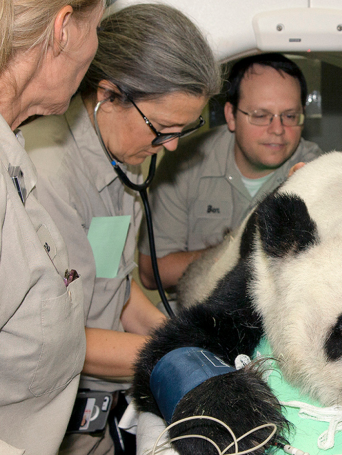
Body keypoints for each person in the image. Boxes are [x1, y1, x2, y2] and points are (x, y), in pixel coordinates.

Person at [0, 0, 252, 455]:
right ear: (64, 28)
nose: (96, 49)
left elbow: (92, 285)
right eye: (95, 28)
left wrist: (182, 343)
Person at [21, 3, 223, 455]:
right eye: (162, 129)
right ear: (107, 94)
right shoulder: (50, 174)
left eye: (183, 130)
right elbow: (61, 342)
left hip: (95, 421)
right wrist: (175, 358)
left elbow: (113, 283)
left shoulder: (122, 161)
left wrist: (183, 339)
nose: (171, 147)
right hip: (41, 429)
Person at [137, 53, 323, 292]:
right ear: (231, 116)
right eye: (260, 116)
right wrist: (239, 251)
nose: (278, 129)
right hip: (195, 312)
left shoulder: (317, 169)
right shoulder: (184, 161)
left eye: (289, 116)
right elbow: (152, 273)